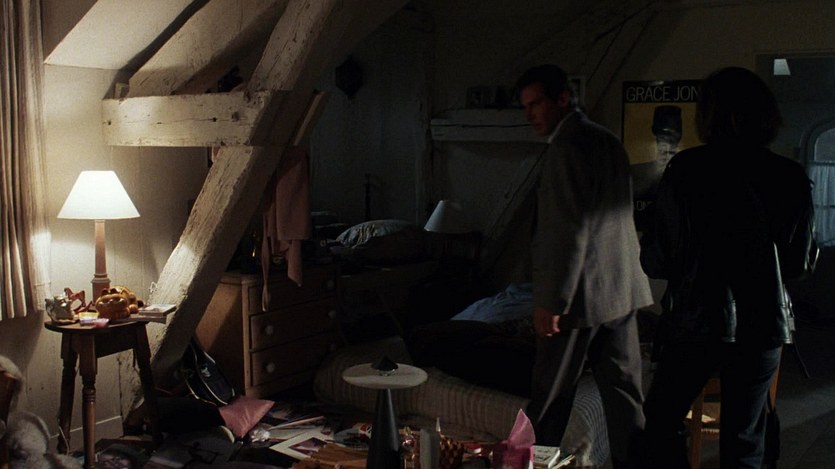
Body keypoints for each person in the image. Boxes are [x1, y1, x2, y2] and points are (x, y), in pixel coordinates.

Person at [638, 66, 818, 468]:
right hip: (763, 321)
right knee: (744, 439)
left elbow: (657, 260)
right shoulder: (789, 176)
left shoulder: (686, 170)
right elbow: (799, 264)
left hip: (695, 321)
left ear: (709, 114)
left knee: (661, 421)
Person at [517, 64, 653, 469]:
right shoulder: (606, 139)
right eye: (525, 107)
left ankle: (534, 465)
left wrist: (551, 302)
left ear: (563, 98)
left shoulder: (566, 146)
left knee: (548, 402)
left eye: (536, 104)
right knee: (626, 399)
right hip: (621, 290)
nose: (529, 114)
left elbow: (566, 231)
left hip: (579, 299)